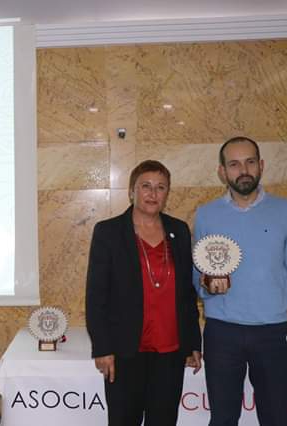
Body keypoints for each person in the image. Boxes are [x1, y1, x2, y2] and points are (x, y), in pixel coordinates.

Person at [193, 136, 287, 426]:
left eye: (250, 162)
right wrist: (208, 287)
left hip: (273, 334)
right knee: (222, 420)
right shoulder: (206, 215)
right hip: (221, 333)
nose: (244, 170)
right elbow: (196, 276)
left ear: (261, 165)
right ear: (222, 172)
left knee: (274, 419)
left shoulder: (286, 211)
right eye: (234, 164)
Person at [86, 160, 202, 425]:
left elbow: (187, 294)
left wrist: (193, 342)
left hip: (170, 351)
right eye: (146, 186)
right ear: (132, 191)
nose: (153, 193)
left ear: (167, 193)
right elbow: (96, 296)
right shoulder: (108, 232)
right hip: (125, 350)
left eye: (161, 187)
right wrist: (102, 348)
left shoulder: (179, 230)